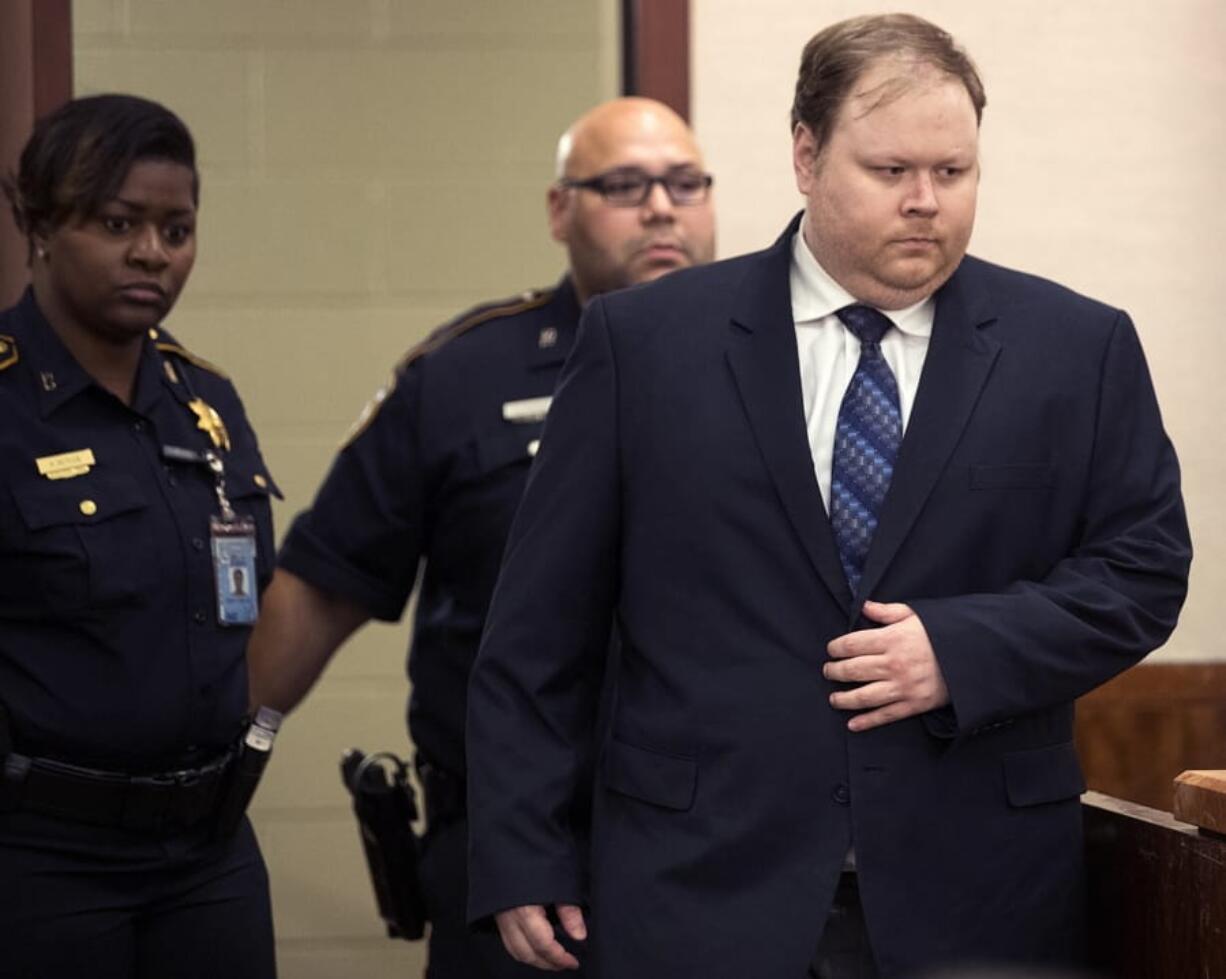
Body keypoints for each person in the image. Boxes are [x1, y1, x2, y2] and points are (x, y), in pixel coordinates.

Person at [465, 14, 1191, 979]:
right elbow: (536, 633)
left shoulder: (1076, 349)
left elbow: (1143, 570)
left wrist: (962, 650)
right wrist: (522, 849)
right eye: (890, 172)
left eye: (954, 172)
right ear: (806, 156)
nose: (926, 202)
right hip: (700, 886)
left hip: (975, 892)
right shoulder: (645, 347)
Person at [245, 96, 716, 978]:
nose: (662, 207)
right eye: (625, 185)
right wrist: (192, 785)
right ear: (559, 210)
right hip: (514, 854)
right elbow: (316, 592)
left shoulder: (776, 369)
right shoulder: (461, 377)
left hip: (721, 851)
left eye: (686, 184)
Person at [0, 95, 279, 977]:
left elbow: (250, 601)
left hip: (210, 847)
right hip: (43, 855)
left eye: (177, 228)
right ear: (40, 224)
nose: (152, 253)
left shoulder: (207, 403)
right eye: (117, 223)